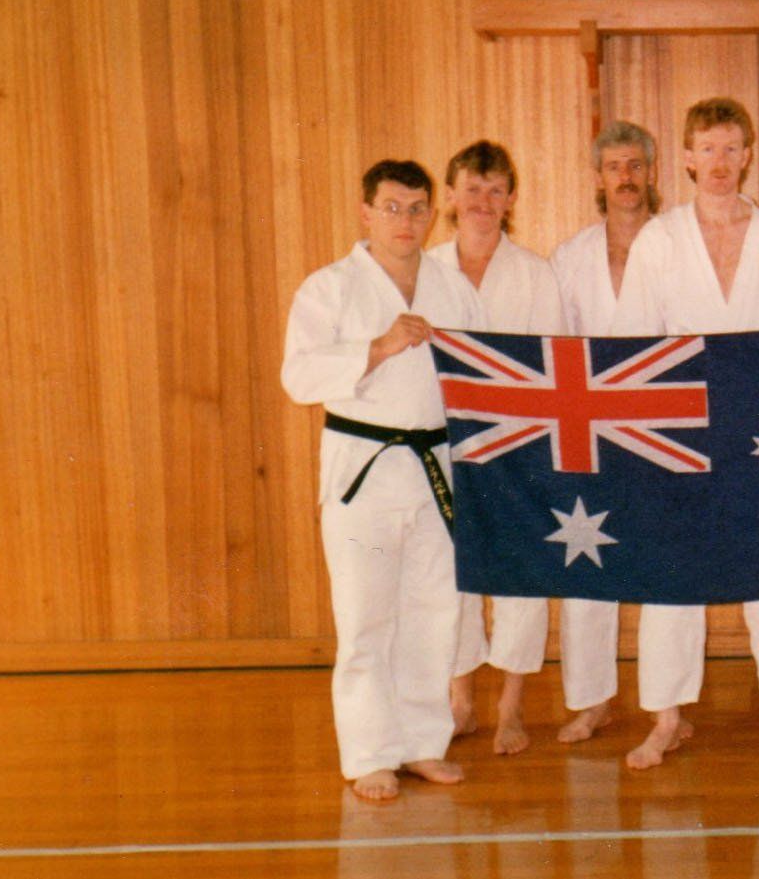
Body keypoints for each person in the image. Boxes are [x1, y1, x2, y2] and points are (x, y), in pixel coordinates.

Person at [611, 97, 759, 768]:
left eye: (732, 148)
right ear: (684, 157)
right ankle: (666, 716)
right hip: (679, 428)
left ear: (749, 154)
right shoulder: (659, 239)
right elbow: (632, 344)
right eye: (707, 148)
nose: (720, 163)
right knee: (672, 575)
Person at [280, 159, 480, 800]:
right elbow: (299, 378)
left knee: (432, 611)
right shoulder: (329, 287)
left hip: (437, 467)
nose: (406, 220)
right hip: (363, 470)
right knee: (366, 615)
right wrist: (377, 346)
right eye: (392, 207)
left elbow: (479, 375)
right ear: (365, 212)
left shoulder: (452, 286)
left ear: (432, 213)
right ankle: (369, 753)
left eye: (418, 208)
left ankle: (422, 742)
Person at [429, 140, 567, 757]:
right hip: (441, 440)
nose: (483, 202)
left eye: (495, 190)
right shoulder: (423, 271)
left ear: (511, 199)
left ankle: (511, 705)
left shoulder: (536, 274)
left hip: (520, 443)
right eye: (472, 189)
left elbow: (556, 362)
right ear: (452, 196)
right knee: (450, 574)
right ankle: (460, 700)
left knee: (520, 575)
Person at [547, 120, 663, 745]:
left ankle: (667, 704)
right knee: (587, 561)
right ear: (599, 177)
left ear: (652, 173)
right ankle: (592, 699)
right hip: (588, 425)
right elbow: (556, 342)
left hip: (662, 424)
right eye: (615, 166)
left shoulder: (675, 245)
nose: (626, 176)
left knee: (665, 563)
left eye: (636, 165)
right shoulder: (572, 256)